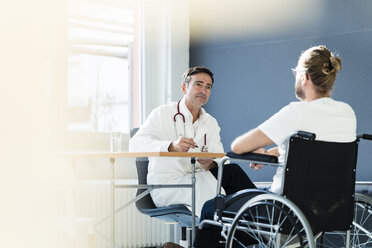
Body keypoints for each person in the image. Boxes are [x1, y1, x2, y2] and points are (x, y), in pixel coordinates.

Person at [196, 45, 357, 247]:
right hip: (330, 210)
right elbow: (316, 152)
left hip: (284, 212)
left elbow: (238, 147)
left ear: (304, 77)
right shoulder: (347, 113)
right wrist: (274, 152)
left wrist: (257, 151)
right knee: (232, 173)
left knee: (211, 209)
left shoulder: (297, 112)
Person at [129, 66, 254, 219]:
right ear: (184, 88)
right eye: (198, 84)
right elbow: (135, 144)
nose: (204, 90)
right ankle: (257, 222)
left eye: (208, 87)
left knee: (232, 173)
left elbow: (220, 158)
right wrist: (171, 146)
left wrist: (211, 164)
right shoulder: (162, 113)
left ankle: (260, 215)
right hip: (169, 185)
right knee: (219, 199)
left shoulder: (210, 122)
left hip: (199, 178)